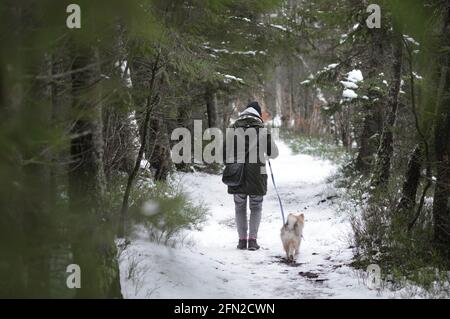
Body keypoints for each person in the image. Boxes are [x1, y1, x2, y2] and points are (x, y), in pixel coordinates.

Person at [224, 101, 279, 250]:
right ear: (258, 114)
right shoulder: (262, 129)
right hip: (257, 174)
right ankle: (252, 241)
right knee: (256, 207)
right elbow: (274, 153)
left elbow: (224, 153)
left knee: (239, 207)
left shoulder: (233, 128)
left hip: (237, 175)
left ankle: (242, 241)